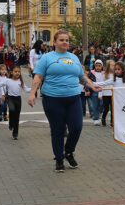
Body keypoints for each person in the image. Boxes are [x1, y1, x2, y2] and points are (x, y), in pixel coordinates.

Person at [28, 30, 101, 173]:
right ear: (54, 42)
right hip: (52, 99)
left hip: (73, 98)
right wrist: (32, 94)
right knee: (58, 130)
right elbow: (38, 77)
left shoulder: (74, 57)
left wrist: (91, 85)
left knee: (76, 128)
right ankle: (59, 159)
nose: (65, 42)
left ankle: (68, 151)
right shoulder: (47, 58)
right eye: (61, 40)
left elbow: (81, 76)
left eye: (67, 40)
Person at [2, 66, 31, 139]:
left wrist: (34, 88)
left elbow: (26, 89)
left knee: (17, 116)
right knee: (12, 110)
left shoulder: (20, 81)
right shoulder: (8, 80)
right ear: (12, 72)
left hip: (18, 99)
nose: (17, 73)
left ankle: (15, 132)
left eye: (19, 71)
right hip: (10, 98)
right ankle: (11, 123)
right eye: (15, 71)